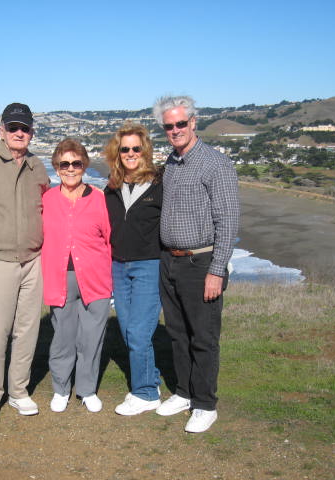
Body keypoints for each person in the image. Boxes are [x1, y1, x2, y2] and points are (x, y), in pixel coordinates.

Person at [152, 95, 239, 433]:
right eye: (168, 126)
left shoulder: (216, 164)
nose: (175, 130)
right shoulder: (172, 163)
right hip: (170, 260)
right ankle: (184, 392)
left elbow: (228, 221)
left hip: (200, 262)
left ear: (193, 122)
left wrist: (217, 270)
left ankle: (205, 404)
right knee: (177, 333)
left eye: (180, 123)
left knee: (203, 336)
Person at [0, 103, 50, 420]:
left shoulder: (37, 166)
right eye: (13, 127)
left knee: (27, 331)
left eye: (25, 128)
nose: (20, 133)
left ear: (32, 132)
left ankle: (18, 391)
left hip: (33, 261)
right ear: (1, 130)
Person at [41, 138, 112, 413]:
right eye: (64, 164)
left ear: (84, 165)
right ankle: (61, 388)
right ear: (56, 167)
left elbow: (109, 238)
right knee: (63, 336)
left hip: (96, 278)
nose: (70, 169)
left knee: (91, 338)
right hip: (60, 278)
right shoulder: (47, 199)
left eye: (76, 163)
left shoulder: (99, 198)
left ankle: (86, 389)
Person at [103, 123, 163, 416]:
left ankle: (146, 393)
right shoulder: (112, 187)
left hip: (149, 265)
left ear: (144, 150)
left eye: (135, 148)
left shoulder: (159, 183)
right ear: (118, 152)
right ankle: (150, 379)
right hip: (118, 266)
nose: (130, 153)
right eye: (124, 148)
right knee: (128, 330)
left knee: (139, 332)